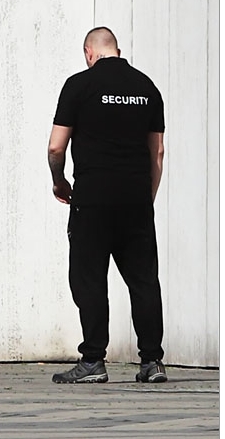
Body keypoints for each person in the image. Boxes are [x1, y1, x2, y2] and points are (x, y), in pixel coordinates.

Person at [47, 26, 168, 384]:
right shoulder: (147, 88)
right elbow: (157, 152)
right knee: (143, 280)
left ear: (89, 52)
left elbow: (56, 146)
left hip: (92, 200)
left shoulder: (78, 85)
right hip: (135, 201)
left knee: (89, 280)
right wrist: (146, 199)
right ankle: (152, 361)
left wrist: (59, 180)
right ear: (117, 49)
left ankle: (93, 361)